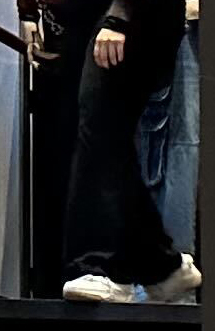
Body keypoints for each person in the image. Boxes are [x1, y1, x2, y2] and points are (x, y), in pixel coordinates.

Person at [57, 0, 199, 304]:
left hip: (135, 12)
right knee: (108, 135)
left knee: (100, 124)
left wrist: (120, 15)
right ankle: (161, 266)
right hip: (126, 13)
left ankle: (106, 268)